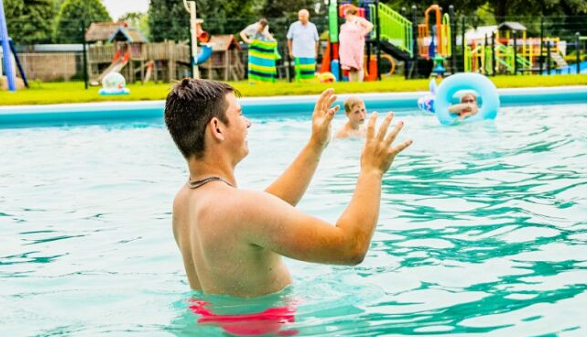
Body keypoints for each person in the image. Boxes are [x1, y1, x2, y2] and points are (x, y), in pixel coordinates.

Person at [165, 79, 410, 298]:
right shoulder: (242, 209)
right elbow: (350, 248)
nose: (247, 123)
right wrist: (372, 170)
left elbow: (266, 213)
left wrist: (316, 145)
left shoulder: (185, 201)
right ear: (217, 128)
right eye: (239, 114)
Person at [339, 5, 374, 82]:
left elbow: (370, 25)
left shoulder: (359, 20)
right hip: (348, 49)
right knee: (351, 66)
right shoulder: (347, 24)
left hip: (357, 46)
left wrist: (362, 33)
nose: (345, 17)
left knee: (358, 64)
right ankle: (352, 82)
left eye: (345, 15)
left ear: (349, 14)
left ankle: (359, 81)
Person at [287, 9, 320, 81]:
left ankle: (310, 84)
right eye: (299, 16)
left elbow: (316, 40)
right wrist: (290, 51)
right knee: (299, 73)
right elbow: (289, 39)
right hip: (298, 54)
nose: (300, 18)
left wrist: (316, 52)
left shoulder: (312, 26)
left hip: (310, 54)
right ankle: (299, 84)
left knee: (310, 72)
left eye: (302, 16)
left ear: (307, 16)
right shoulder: (294, 26)